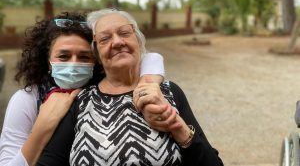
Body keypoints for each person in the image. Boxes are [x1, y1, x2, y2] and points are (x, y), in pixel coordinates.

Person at [37, 9, 223, 166]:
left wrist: (178, 128)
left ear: (139, 42)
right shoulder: (81, 100)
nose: (117, 42)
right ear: (97, 54)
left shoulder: (169, 91)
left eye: (125, 33)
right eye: (105, 38)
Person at [0, 11, 165, 166]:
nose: (73, 64)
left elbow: (151, 57)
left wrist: (148, 83)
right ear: (47, 62)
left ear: (97, 60)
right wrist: (42, 126)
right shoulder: (28, 99)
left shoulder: (103, 88)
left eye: (84, 57)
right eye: (63, 56)